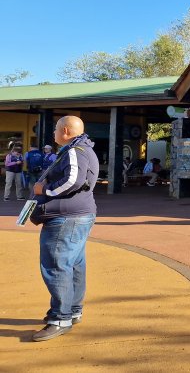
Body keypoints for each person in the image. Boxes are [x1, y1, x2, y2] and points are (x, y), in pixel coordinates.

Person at [31, 115, 99, 342]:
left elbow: (73, 181)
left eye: (56, 130)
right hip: (78, 215)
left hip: (65, 218)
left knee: (57, 266)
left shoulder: (74, 151)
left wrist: (45, 190)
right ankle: (72, 310)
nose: (54, 134)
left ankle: (60, 318)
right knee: (74, 264)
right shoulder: (84, 148)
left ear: (66, 131)